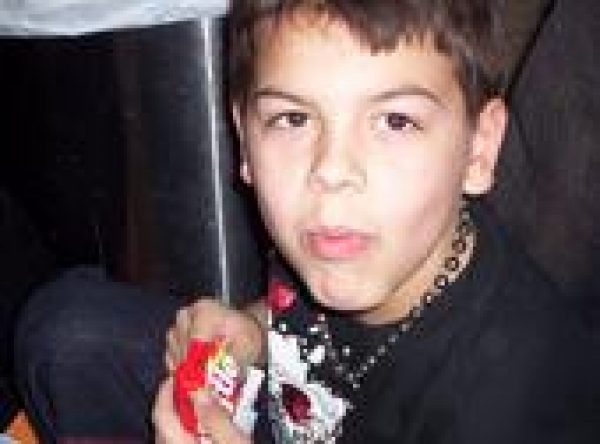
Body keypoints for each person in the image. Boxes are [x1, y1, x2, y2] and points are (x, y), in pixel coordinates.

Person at [15, 0, 600, 443]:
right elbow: (294, 309)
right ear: (244, 140)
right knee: (66, 331)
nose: (330, 171)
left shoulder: (516, 404)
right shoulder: (349, 235)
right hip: (291, 412)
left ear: (478, 148)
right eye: (293, 119)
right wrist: (251, 332)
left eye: (395, 121)